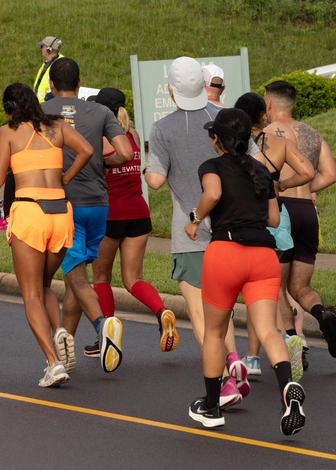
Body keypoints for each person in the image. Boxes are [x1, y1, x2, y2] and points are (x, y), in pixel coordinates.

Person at [185, 108, 305, 435]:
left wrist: (195, 218)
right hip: (264, 256)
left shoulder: (211, 166)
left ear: (216, 140)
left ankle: (211, 406)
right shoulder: (262, 170)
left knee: (213, 332)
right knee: (268, 330)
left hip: (226, 252)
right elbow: (274, 221)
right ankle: (287, 391)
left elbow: (213, 193)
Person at [145, 56, 249, 408]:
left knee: (201, 314)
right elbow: (254, 165)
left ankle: (222, 383)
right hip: (230, 231)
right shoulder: (224, 120)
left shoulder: (161, 129)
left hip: (189, 234)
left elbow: (156, 181)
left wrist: (152, 166)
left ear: (171, 90)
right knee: (223, 308)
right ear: (205, 84)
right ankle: (234, 359)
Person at [0, 83, 92, 387]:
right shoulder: (57, 127)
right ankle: (60, 330)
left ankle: (53, 362)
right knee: (45, 284)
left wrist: (6, 161)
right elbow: (87, 150)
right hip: (61, 212)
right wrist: (65, 177)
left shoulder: (6, 132)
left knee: (31, 294)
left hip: (29, 212)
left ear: (9, 107)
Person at [42, 58, 132, 374]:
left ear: (51, 84)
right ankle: (64, 351)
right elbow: (126, 152)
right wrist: (104, 166)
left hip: (64, 204)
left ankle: (103, 325)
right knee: (73, 280)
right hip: (99, 204)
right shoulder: (102, 112)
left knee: (76, 277)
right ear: (80, 82)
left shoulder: (42, 112)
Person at [263, 80, 336, 377]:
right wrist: (308, 188)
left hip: (280, 210)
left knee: (276, 286)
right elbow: (331, 175)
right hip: (307, 212)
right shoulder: (312, 133)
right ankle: (322, 314)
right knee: (300, 287)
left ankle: (291, 341)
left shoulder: (266, 135)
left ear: (269, 105)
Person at [89, 88, 179, 354]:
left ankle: (107, 338)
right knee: (133, 278)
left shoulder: (100, 139)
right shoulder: (134, 135)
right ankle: (161, 311)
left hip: (110, 215)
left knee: (101, 276)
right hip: (139, 212)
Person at [234, 92, 315, 378]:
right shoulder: (279, 143)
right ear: (263, 116)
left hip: (249, 222)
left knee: (253, 294)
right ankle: (255, 357)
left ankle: (270, 347)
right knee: (267, 291)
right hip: (278, 219)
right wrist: (281, 184)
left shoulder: (236, 147)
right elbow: (308, 170)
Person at [33, 36, 64, 103]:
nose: (41, 49)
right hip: (42, 106)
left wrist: (48, 99)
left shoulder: (59, 65)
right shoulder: (48, 63)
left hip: (49, 106)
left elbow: (61, 87)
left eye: (42, 47)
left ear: (49, 49)